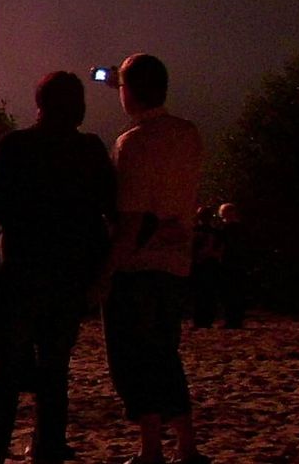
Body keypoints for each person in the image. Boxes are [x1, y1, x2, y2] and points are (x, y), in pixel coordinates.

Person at [0, 70, 117, 464]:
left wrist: (21, 222)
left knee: (7, 368)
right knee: (55, 368)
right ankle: (47, 447)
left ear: (40, 103)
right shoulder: (89, 149)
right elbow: (110, 206)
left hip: (21, 268)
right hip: (71, 273)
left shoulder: (16, 145)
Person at [101, 54, 207, 464]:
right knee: (166, 354)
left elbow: (131, 217)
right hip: (175, 263)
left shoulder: (134, 143)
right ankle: (186, 442)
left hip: (139, 266)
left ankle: (150, 447)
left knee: (133, 359)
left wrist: (108, 270)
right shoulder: (188, 134)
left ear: (130, 91)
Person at [215, 203, 247, 330]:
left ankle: (232, 319)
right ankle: (236, 319)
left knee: (230, 291)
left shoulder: (227, 229)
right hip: (238, 262)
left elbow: (222, 245)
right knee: (236, 291)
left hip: (230, 262)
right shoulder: (241, 228)